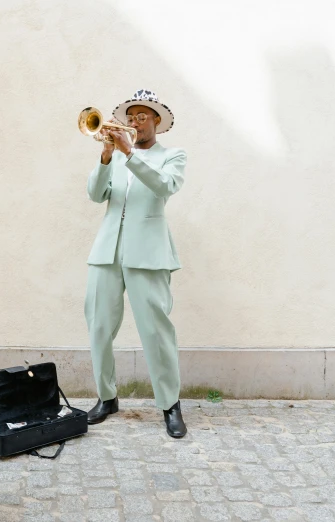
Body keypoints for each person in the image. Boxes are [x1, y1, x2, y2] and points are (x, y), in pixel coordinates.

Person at [84, 89, 188, 438]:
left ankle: (170, 404)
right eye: (131, 116)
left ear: (156, 121)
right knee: (99, 325)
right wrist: (105, 157)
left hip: (149, 253)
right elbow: (96, 195)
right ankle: (106, 396)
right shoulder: (114, 157)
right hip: (107, 250)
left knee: (156, 331)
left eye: (142, 116)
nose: (134, 122)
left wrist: (129, 154)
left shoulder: (173, 155)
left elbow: (163, 187)